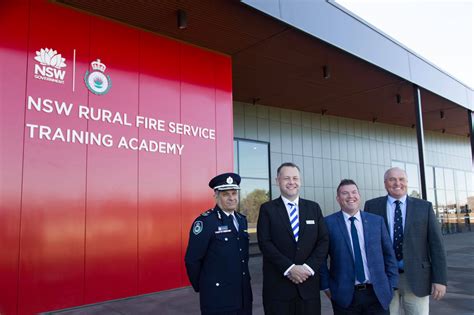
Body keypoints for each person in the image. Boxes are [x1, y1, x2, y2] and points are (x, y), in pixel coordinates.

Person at [364, 167, 447, 315]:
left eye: (401, 179)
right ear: (385, 183)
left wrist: (440, 279)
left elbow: (436, 246)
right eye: (392, 179)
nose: (397, 183)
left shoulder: (424, 207)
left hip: (416, 279)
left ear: (407, 182)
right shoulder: (371, 206)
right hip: (384, 279)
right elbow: (367, 244)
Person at [257, 162, 329, 315]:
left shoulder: (313, 208)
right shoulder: (267, 209)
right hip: (278, 289)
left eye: (295, 178)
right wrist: (290, 269)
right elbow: (265, 243)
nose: (291, 182)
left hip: (308, 288)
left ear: (300, 181)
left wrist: (307, 269)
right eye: (286, 178)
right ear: (277, 181)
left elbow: (323, 241)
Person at [320, 179, 398, 315]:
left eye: (354, 192)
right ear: (338, 198)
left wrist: (391, 285)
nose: (351, 196)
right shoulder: (328, 223)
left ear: (359, 196)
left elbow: (389, 255)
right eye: (345, 193)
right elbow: (321, 258)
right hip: (344, 297)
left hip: (377, 294)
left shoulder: (376, 221)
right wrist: (326, 286)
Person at [185, 172, 252, 315]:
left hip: (243, 296)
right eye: (226, 194)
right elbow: (192, 260)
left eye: (234, 193)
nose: (231, 198)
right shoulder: (206, 222)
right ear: (216, 195)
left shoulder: (241, 220)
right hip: (217, 299)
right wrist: (204, 286)